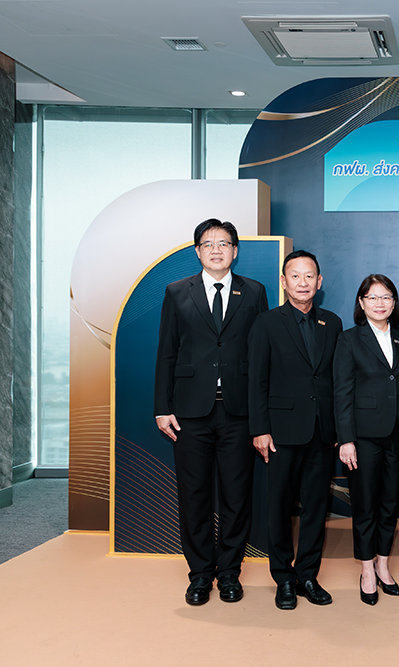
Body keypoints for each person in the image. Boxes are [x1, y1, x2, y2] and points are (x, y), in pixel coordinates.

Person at [154, 218, 269, 606]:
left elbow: (260, 355)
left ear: (235, 251)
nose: (216, 250)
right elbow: (166, 352)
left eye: (224, 243)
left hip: (238, 412)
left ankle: (230, 573)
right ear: (197, 251)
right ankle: (201, 574)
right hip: (190, 412)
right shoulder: (176, 291)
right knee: (194, 496)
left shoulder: (254, 291)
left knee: (237, 497)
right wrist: (162, 407)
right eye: (208, 244)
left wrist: (261, 413)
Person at [247, 250, 343, 610]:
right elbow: (256, 380)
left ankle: (308, 576)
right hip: (280, 432)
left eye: (309, 276)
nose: (303, 283)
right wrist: (260, 429)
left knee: (316, 507)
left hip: (322, 432)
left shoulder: (332, 323)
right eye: (295, 276)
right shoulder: (267, 323)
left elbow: (336, 379)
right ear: (284, 281)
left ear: (319, 282)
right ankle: (284, 579)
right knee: (279, 507)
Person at [333, 274, 399, 606]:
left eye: (386, 297)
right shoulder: (348, 340)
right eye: (372, 297)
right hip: (363, 437)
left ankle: (383, 564)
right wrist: (346, 439)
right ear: (361, 302)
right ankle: (366, 569)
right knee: (365, 504)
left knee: (389, 502)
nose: (379, 303)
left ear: (394, 303)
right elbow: (341, 392)